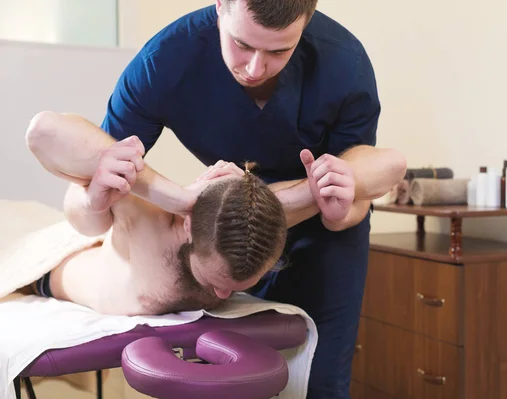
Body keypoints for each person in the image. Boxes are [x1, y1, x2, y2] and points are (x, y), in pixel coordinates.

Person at [98, 0, 407, 397]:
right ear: (220, 6)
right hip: (226, 234)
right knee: (233, 378)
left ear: (307, 20)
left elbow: (356, 189)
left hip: (323, 239)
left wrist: (340, 210)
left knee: (320, 382)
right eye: (241, 44)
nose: (255, 69)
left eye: (279, 51)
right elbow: (105, 161)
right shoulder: (165, 61)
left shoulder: (344, 62)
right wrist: (180, 199)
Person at [22, 111, 289, 316]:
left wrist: (247, 189)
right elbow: (43, 131)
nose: (222, 294)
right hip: (44, 275)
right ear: (188, 225)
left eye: (234, 288)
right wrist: (176, 196)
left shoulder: (259, 234)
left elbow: (303, 198)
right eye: (214, 280)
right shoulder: (148, 215)